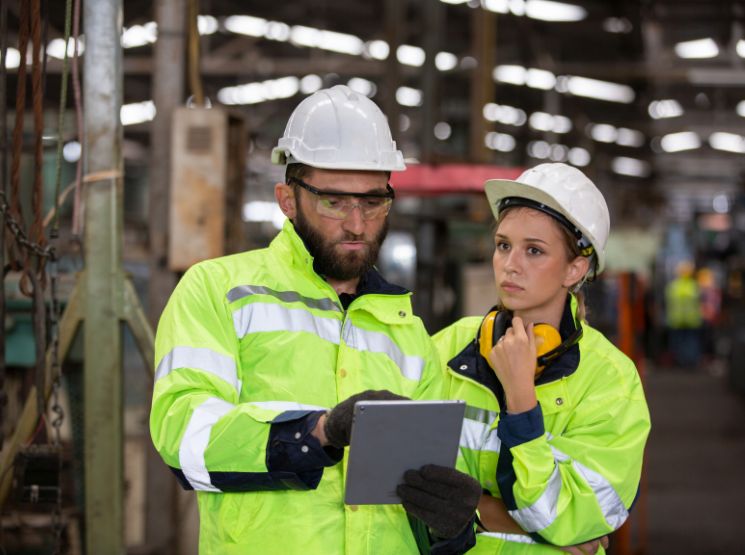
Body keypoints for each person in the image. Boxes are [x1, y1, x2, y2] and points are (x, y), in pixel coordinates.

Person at [149, 85, 479, 554]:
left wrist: (451, 526)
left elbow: (426, 487)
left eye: (372, 201)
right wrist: (315, 432)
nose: (357, 224)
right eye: (333, 201)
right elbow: (184, 435)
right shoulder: (219, 291)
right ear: (287, 199)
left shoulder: (407, 332)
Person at [432, 163, 651, 553]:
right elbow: (402, 487)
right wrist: (510, 521)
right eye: (503, 245)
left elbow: (573, 518)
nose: (510, 264)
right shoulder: (449, 348)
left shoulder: (611, 379)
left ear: (575, 268)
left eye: (534, 250)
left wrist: (521, 404)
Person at [665, 260, 702, 369]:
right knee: (691, 343)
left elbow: (668, 303)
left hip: (676, 321)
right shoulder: (694, 286)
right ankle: (690, 362)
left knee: (678, 343)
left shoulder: (673, 286)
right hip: (692, 321)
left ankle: (680, 362)